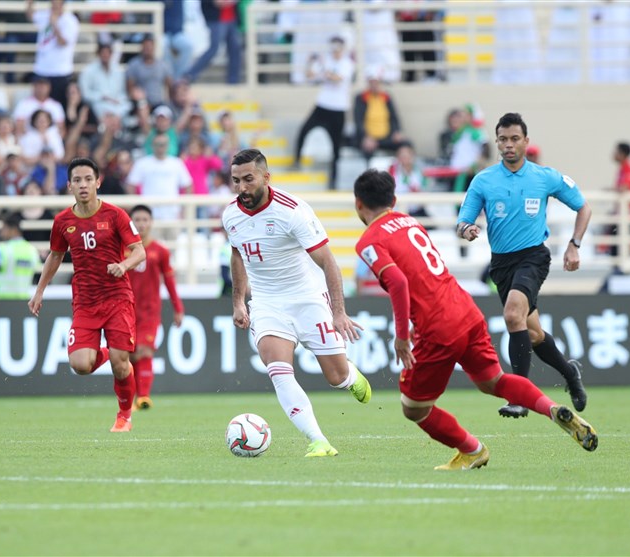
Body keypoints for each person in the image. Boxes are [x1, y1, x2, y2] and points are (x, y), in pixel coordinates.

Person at [353, 168, 597, 470]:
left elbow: (401, 283)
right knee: (493, 381)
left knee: (414, 408)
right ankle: (551, 408)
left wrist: (402, 335)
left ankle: (472, 449)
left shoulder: (369, 242)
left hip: (438, 327)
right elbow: (422, 275)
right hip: (465, 310)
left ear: (358, 204)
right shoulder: (409, 222)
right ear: (393, 198)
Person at [222, 148, 372, 457]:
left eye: (248, 179)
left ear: (266, 176)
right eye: (236, 181)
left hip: (307, 299)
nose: (242, 188)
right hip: (266, 303)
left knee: (335, 376)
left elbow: (328, 262)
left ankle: (349, 376)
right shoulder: (231, 215)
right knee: (278, 370)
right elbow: (237, 255)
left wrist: (339, 312)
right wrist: (239, 301)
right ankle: (319, 440)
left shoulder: (292, 211)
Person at [457, 112, 590, 419]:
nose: (509, 145)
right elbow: (463, 221)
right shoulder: (484, 180)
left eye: (515, 139)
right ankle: (570, 372)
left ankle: (520, 396)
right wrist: (468, 230)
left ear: (526, 142)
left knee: (512, 314)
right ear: (497, 142)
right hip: (502, 264)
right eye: (503, 139)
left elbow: (583, 207)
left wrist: (574, 245)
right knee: (532, 333)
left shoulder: (545, 177)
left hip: (533, 256)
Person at [28, 157, 146, 433]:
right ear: (69, 185)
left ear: (98, 182)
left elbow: (139, 250)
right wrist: (39, 291)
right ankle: (108, 352)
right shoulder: (62, 221)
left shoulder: (116, 215)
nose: (83, 185)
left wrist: (123, 265)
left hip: (117, 297)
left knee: (120, 366)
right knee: (81, 365)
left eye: (88, 179)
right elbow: (55, 256)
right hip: (85, 302)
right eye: (77, 180)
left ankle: (124, 416)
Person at [128, 204, 184, 410]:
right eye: (137, 220)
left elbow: (169, 282)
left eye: (145, 220)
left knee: (144, 351)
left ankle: (143, 396)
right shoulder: (123, 249)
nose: (141, 224)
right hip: (126, 310)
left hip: (150, 311)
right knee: (129, 354)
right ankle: (132, 397)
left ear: (151, 223)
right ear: (131, 223)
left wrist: (178, 308)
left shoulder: (159, 251)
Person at [292, 35, 353, 190]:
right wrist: (311, 62)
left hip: (338, 108)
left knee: (336, 147)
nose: (335, 50)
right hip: (323, 105)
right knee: (304, 130)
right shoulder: (326, 60)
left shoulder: (347, 63)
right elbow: (309, 75)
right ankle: (296, 161)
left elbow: (337, 78)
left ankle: (333, 180)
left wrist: (323, 67)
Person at [25, 0, 80, 107]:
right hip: (42, 69)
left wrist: (54, 24)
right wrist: (29, 3)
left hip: (60, 72)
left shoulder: (70, 21)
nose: (54, 6)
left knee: (59, 106)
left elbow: (63, 42)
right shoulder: (45, 15)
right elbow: (31, 16)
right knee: (39, 106)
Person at [0, 212, 41, 300]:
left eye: (4, 228)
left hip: (3, 300)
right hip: (24, 299)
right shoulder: (32, 250)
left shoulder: (4, 249)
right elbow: (38, 273)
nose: (1, 232)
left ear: (13, 230)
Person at [353, 67, 406, 163]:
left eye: (376, 82)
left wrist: (396, 132)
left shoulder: (386, 97)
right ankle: (370, 177)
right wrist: (366, 137)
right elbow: (358, 121)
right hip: (369, 138)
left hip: (386, 137)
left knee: (406, 145)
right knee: (367, 151)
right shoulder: (361, 98)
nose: (374, 85)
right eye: (372, 82)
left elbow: (394, 117)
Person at [185, 0, 242, 84]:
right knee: (214, 49)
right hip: (216, 19)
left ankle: (233, 81)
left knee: (235, 49)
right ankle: (190, 75)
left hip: (232, 18)